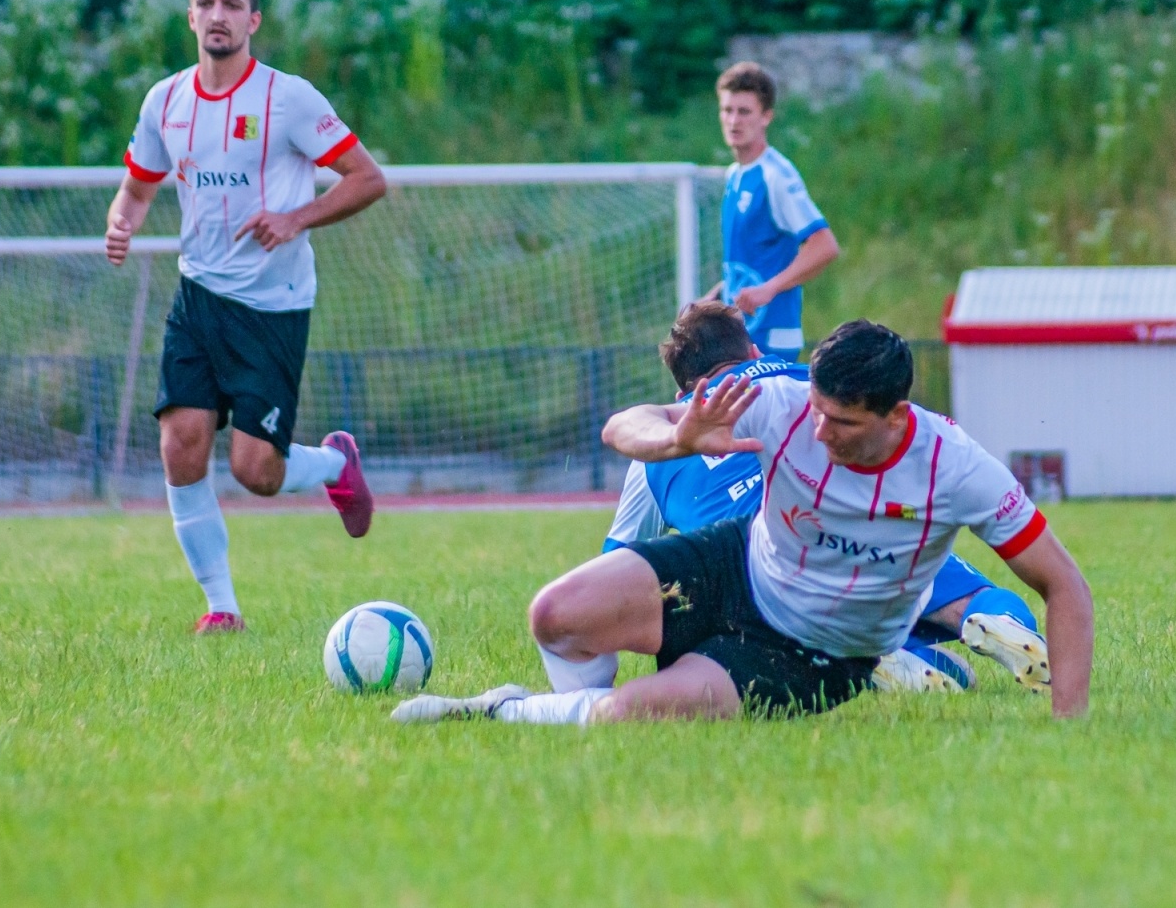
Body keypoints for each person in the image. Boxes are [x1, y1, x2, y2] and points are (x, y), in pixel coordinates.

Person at [392, 317, 1093, 726]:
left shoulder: (958, 467)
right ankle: (579, 717)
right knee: (555, 614)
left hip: (816, 654)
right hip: (737, 564)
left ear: (896, 417)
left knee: (630, 715)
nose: (819, 432)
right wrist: (677, 438)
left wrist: (1070, 723)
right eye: (816, 410)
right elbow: (622, 425)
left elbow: (1065, 585)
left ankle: (502, 712)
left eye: (842, 423)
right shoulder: (780, 401)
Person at [106, 0, 387, 635]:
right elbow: (139, 186)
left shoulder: (287, 99)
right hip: (198, 295)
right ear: (191, 17)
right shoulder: (164, 101)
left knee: (257, 471)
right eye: (207, 4)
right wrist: (123, 220)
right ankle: (221, 608)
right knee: (181, 443)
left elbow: (367, 178)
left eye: (233, 5)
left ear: (253, 20)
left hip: (272, 306)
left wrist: (295, 219)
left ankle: (331, 463)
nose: (219, 16)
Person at [598, 301, 1052, 695]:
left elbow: (615, 565)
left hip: (760, 573)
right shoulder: (813, 381)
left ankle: (893, 661)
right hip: (849, 520)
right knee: (955, 590)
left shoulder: (659, 446)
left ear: (683, 393)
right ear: (756, 352)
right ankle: (994, 621)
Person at [709, 62, 839, 362]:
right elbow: (753, 262)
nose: (733, 121)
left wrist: (768, 290)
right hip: (740, 337)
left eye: (744, 112)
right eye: (727, 110)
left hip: (772, 338)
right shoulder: (735, 175)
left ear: (766, 116)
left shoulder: (775, 176)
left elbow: (824, 246)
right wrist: (715, 297)